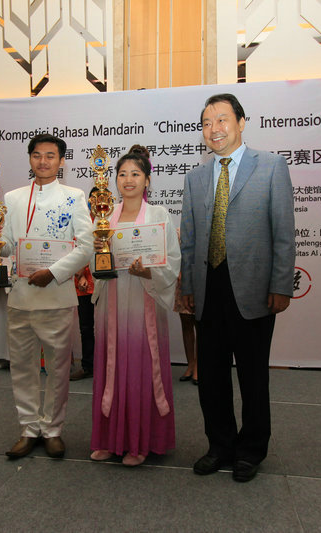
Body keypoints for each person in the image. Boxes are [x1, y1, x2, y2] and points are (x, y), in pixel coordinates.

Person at [180, 93, 295, 483]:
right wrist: (187, 285)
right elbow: (189, 240)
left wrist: (281, 284)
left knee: (252, 376)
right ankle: (220, 445)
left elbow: (284, 232)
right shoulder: (195, 177)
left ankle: (251, 450)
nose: (214, 129)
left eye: (222, 119)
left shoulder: (272, 166)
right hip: (207, 289)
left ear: (241, 123)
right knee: (211, 377)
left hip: (254, 290)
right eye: (207, 122)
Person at [0, 133, 93, 460]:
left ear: (61, 161)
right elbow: (7, 245)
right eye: (37, 155)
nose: (43, 161)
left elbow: (86, 246)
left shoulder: (75, 196)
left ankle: (53, 429)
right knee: (22, 368)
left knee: (58, 369)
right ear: (30, 159)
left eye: (50, 156)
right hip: (20, 296)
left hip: (57, 295)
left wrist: (54, 272)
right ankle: (29, 428)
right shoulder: (13, 197)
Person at [89, 145, 180, 467]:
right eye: (123, 174)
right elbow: (93, 261)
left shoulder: (158, 216)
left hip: (144, 299)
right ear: (115, 180)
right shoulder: (105, 217)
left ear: (147, 180)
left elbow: (172, 260)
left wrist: (150, 271)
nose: (128, 180)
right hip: (112, 298)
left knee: (140, 368)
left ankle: (139, 443)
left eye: (136, 174)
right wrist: (97, 254)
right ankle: (108, 440)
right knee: (111, 365)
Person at [69, 187, 97, 381]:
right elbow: (76, 250)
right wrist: (81, 275)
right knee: (86, 327)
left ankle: (109, 366)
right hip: (83, 284)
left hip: (105, 283)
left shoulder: (111, 222)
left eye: (100, 198)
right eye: (92, 198)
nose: (96, 201)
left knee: (108, 327)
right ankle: (88, 366)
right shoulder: (81, 222)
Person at [174, 228, 197, 384]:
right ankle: (190, 364)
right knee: (186, 325)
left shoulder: (204, 229)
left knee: (201, 326)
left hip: (201, 282)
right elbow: (172, 257)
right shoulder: (177, 232)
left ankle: (199, 366)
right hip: (183, 284)